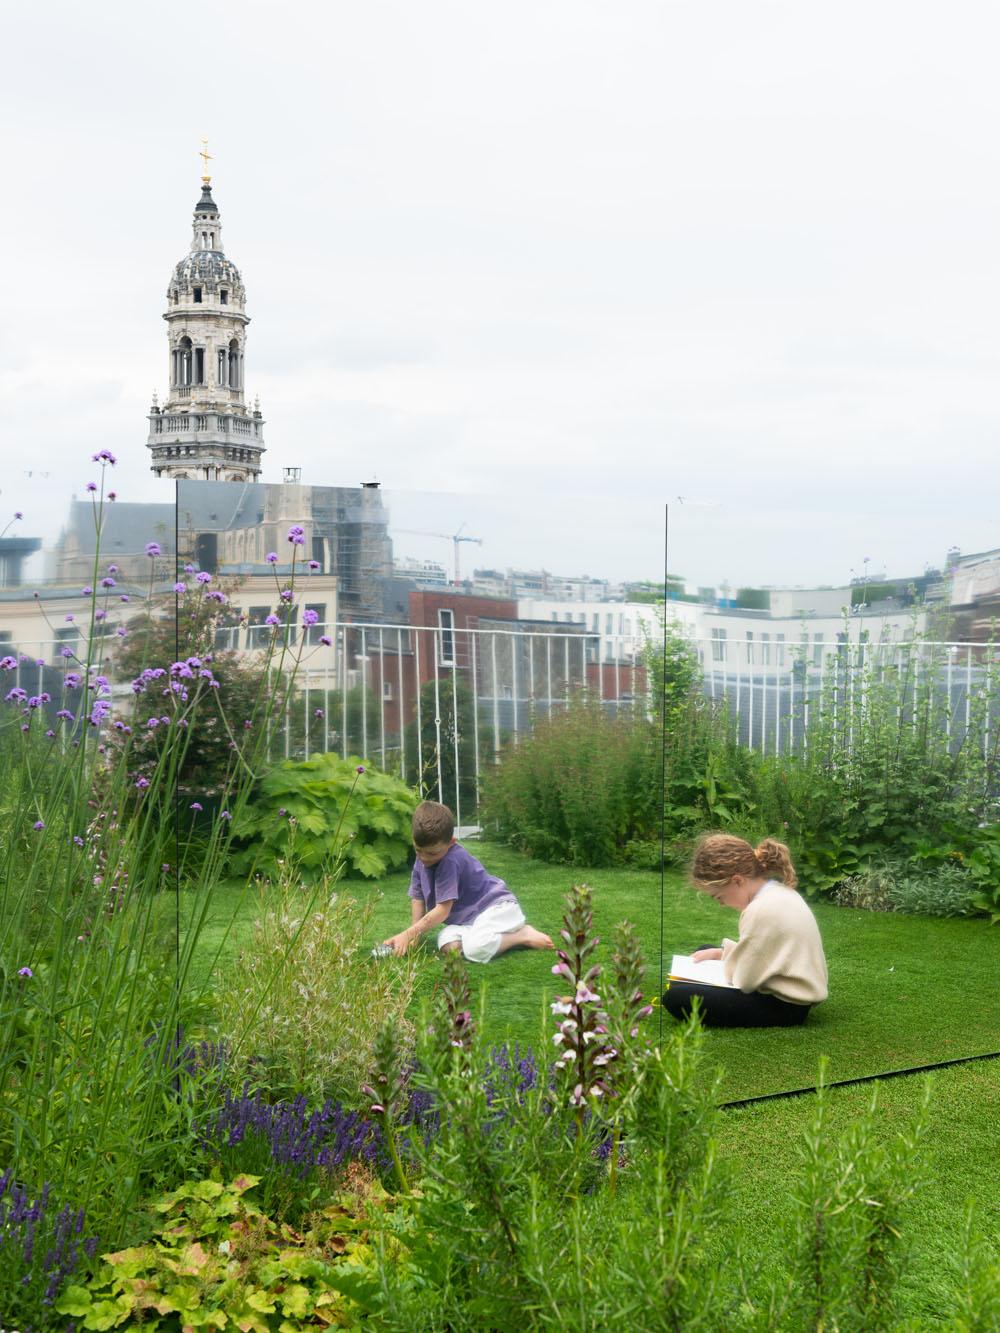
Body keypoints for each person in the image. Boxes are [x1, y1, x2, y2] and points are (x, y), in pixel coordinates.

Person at [662, 833, 828, 1028]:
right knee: (705, 952)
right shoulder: (777, 892)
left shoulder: (759, 910)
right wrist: (721, 954)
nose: (722, 904)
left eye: (719, 897)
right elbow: (766, 953)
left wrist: (723, 965)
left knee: (675, 997)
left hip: (785, 1007)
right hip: (793, 996)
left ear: (738, 881)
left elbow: (744, 982)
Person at [383, 800, 554, 962]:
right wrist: (415, 937)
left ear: (451, 842)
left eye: (433, 853)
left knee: (474, 949)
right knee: (448, 945)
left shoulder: (451, 860)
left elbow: (442, 911)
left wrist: (407, 934)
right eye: (418, 850)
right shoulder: (421, 860)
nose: (424, 858)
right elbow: (418, 898)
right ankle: (487, 938)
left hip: (496, 909)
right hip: (469, 921)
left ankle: (522, 936)